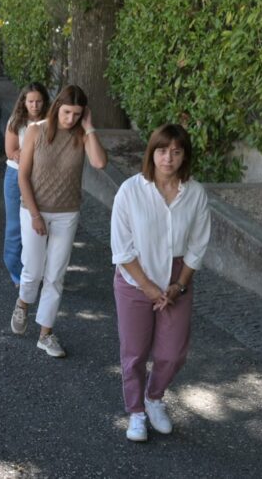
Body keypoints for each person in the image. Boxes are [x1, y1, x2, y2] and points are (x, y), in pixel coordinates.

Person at [111, 124, 210, 442]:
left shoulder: (195, 193)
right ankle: (136, 412)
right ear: (151, 153)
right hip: (134, 277)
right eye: (162, 150)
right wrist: (149, 287)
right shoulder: (130, 190)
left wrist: (178, 285)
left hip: (177, 277)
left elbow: (198, 245)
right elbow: (122, 249)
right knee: (135, 352)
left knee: (173, 353)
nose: (169, 158)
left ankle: (154, 398)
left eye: (177, 151)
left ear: (185, 156)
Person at [11, 85, 108, 358]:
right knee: (33, 269)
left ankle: (46, 334)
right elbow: (23, 176)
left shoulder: (81, 133)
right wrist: (35, 215)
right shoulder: (36, 130)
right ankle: (23, 303)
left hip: (67, 212)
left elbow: (100, 163)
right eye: (67, 112)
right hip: (34, 208)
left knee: (55, 276)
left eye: (77, 114)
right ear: (57, 107)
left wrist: (89, 127)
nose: (70, 119)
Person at [3, 83, 50, 285]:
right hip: (16, 176)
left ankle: (37, 270)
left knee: (41, 226)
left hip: (43, 178)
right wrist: (22, 156)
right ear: (24, 101)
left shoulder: (51, 122)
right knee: (15, 228)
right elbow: (10, 151)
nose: (35, 105)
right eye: (31, 101)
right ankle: (18, 273)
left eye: (38, 101)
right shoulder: (16, 122)